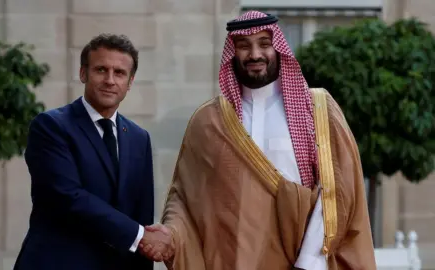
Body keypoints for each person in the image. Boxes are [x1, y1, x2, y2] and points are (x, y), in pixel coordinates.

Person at [140, 11, 376, 270]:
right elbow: (185, 196)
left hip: (303, 259)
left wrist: (308, 262)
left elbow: (337, 190)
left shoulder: (317, 109)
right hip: (231, 259)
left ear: (278, 48)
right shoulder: (208, 121)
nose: (254, 55)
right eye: (244, 46)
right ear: (233, 53)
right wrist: (171, 235)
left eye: (264, 44)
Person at [13, 34, 170, 270]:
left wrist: (144, 240)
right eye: (101, 70)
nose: (110, 80)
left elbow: (141, 214)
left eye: (119, 73)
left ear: (130, 82)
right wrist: (140, 236)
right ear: (83, 73)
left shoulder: (139, 138)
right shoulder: (51, 126)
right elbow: (68, 197)